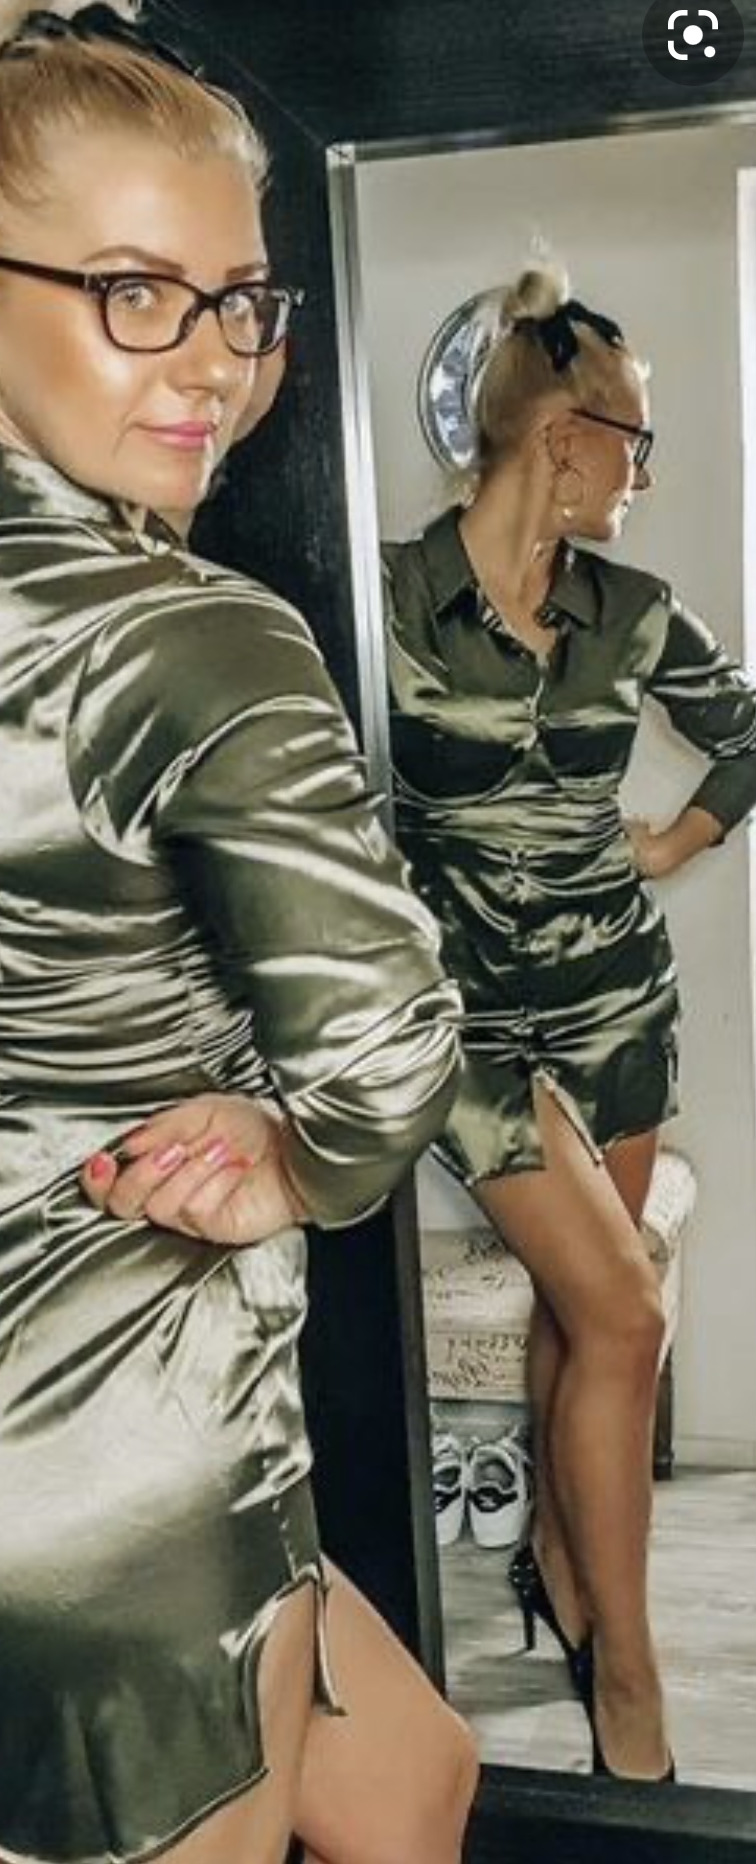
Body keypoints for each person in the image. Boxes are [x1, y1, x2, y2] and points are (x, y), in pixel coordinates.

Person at [0, 6, 478, 1864]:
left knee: (415, 1783)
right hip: (107, 1428)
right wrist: (296, 1159)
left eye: (237, 301)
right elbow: (386, 1058)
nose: (215, 367)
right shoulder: (197, 636)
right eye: (133, 294)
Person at [383, 262, 756, 1783]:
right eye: (635, 441)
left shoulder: (635, 613)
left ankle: (556, 1550)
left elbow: (749, 736)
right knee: (628, 1314)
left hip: (616, 1012)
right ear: (560, 439)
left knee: (578, 1309)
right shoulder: (386, 600)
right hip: (470, 1032)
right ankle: (632, 1682)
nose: (643, 473)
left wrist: (670, 844)